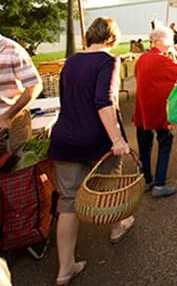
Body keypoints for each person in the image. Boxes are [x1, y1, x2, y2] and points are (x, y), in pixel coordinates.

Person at [47, 17, 132, 286]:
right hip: (96, 139)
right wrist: (117, 139)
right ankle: (116, 227)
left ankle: (65, 269)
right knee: (109, 187)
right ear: (112, 37)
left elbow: (66, 98)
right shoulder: (108, 60)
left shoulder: (71, 61)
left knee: (68, 202)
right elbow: (104, 102)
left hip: (65, 136)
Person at [133, 26, 177, 198]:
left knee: (144, 145)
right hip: (159, 110)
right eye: (170, 39)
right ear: (159, 41)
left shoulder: (143, 58)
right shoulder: (161, 60)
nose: (172, 42)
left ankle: (147, 179)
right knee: (165, 143)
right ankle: (159, 183)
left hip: (143, 110)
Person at [0, 33, 42, 152]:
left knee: (18, 165)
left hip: (14, 121)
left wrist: (7, 115)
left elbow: (34, 86)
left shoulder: (12, 50)